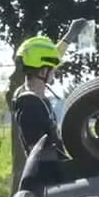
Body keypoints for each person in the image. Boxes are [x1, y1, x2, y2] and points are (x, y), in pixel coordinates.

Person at [11, 31, 64, 159]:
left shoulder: (33, 97)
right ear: (44, 71)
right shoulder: (30, 104)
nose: (54, 73)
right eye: (52, 69)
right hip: (46, 176)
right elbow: (40, 152)